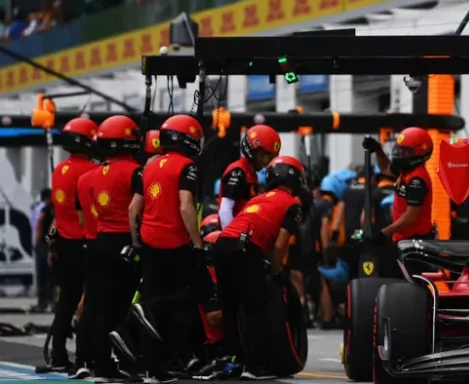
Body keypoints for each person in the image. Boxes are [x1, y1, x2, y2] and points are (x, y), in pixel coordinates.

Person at [129, 114, 205, 384]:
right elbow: (186, 206)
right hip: (175, 244)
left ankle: (152, 370)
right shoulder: (187, 166)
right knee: (185, 300)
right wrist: (197, 243)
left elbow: (133, 209)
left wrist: (137, 242)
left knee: (151, 308)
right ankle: (173, 359)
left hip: (149, 242)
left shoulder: (148, 166)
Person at [214, 155, 305, 380]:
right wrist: (275, 269)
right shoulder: (292, 204)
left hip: (222, 245)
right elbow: (282, 243)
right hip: (246, 248)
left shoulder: (258, 199)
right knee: (254, 307)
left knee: (230, 307)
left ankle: (233, 360)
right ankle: (253, 367)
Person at [76, 115, 143, 381]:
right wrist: (137, 243)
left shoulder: (89, 176)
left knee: (99, 308)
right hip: (126, 242)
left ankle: (100, 364)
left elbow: (84, 219)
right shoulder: (136, 171)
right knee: (125, 306)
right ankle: (128, 362)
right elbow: (136, 211)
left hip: (98, 243)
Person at [48, 117, 100, 372]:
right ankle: (85, 356)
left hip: (64, 244)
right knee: (90, 301)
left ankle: (58, 354)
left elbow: (57, 215)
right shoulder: (91, 171)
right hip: (85, 243)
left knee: (66, 302)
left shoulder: (59, 169)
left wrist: (52, 244)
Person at [362, 128, 435, 278]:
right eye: (399, 150)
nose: (400, 154)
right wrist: (378, 150)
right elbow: (385, 168)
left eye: (405, 152)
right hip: (401, 240)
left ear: (419, 153)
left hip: (414, 244)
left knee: (410, 285)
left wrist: (384, 232)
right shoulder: (406, 171)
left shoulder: (417, 180)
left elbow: (410, 217)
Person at [218, 125, 282, 228]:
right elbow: (225, 210)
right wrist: (232, 239)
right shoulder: (238, 171)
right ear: (254, 151)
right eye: (266, 156)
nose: (267, 162)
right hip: (235, 234)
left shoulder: (251, 175)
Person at [33, 188, 55, 313]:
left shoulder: (41, 208)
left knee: (43, 274)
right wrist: (46, 239)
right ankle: (47, 300)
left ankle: (43, 301)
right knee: (48, 274)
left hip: (42, 243)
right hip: (45, 244)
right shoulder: (48, 209)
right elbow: (42, 224)